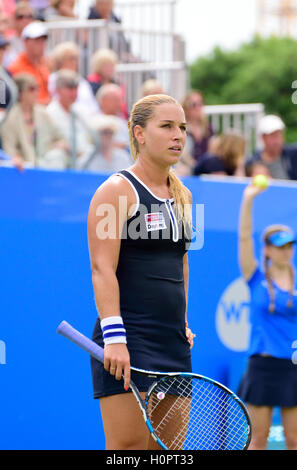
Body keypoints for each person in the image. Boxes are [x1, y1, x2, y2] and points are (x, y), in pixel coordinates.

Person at [88, 94, 196, 450]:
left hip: (172, 343)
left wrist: (181, 322)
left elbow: (180, 263)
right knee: (129, 451)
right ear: (139, 133)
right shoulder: (116, 190)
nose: (178, 135)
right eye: (166, 126)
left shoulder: (185, 197)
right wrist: (115, 337)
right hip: (128, 338)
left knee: (168, 453)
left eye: (181, 127)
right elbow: (102, 268)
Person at [237, 180, 297, 450]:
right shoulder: (255, 276)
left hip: (294, 368)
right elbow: (244, 237)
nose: (286, 251)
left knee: (295, 441)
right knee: (258, 440)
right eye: (280, 246)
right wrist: (248, 200)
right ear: (268, 250)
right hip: (262, 368)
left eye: (289, 246)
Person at [1, 73, 67, 170]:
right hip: (25, 167)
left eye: (37, 88)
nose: (36, 92)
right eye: (31, 89)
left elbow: (60, 138)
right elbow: (9, 150)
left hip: (46, 161)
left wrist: (56, 145)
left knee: (57, 155)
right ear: (20, 93)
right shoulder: (10, 117)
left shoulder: (43, 113)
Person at [47, 69, 94, 168]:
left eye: (76, 88)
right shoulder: (49, 113)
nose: (73, 93)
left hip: (84, 160)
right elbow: (47, 144)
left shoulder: (81, 111)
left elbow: (92, 138)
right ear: (58, 90)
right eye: (69, 88)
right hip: (64, 161)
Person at [48, 42, 99, 118]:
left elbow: (93, 106)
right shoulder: (53, 79)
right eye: (71, 58)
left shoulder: (81, 81)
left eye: (76, 59)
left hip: (87, 120)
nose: (75, 62)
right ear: (60, 61)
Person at [7, 21, 50, 105]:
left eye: (43, 40)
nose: (41, 44)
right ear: (25, 42)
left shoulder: (46, 64)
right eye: (37, 40)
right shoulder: (16, 68)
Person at [247, 114, 297, 181]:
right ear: (263, 138)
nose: (277, 140)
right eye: (273, 136)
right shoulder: (252, 162)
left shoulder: (293, 154)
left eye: (279, 135)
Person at [182, 90, 214, 167]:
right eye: (193, 104)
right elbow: (182, 154)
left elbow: (212, 151)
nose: (197, 107)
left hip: (205, 167)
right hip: (186, 167)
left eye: (200, 104)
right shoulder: (181, 126)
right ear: (186, 107)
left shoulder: (207, 127)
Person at [96, 83, 129, 151]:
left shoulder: (123, 122)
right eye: (115, 100)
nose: (119, 103)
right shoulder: (96, 122)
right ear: (103, 101)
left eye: (120, 100)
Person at [3, 1, 35, 68]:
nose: (25, 20)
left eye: (29, 16)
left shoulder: (39, 40)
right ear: (14, 19)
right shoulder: (7, 41)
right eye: (20, 17)